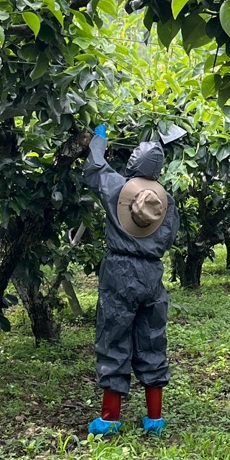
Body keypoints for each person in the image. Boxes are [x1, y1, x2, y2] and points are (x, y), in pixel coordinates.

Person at [82, 122, 178, 436]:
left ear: (133, 162)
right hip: (152, 272)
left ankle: (109, 419)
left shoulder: (118, 188)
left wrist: (99, 138)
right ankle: (154, 420)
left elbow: (95, 168)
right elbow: (169, 238)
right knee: (152, 340)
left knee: (113, 338)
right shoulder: (166, 201)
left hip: (120, 271)